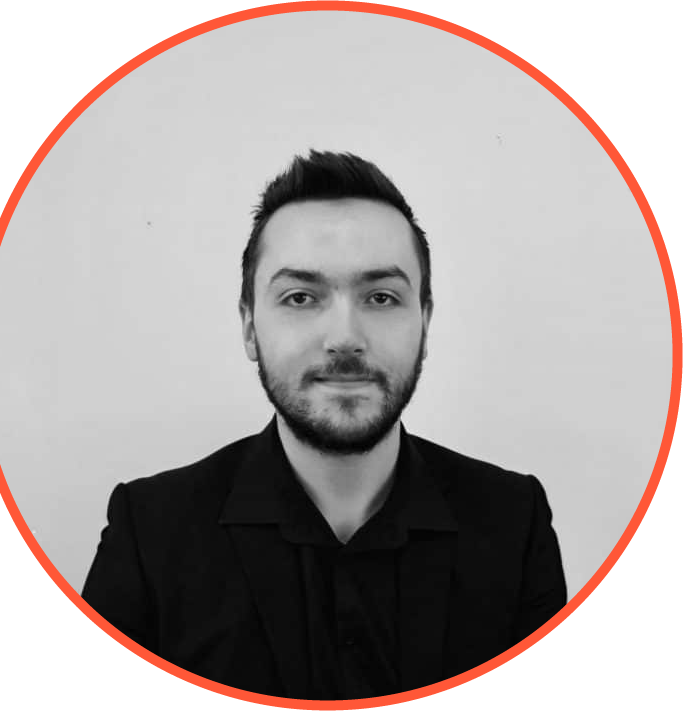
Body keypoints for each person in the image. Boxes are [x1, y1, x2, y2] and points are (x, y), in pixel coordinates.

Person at [82, 150, 567, 700]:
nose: (344, 338)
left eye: (381, 297)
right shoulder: (149, 534)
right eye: (301, 297)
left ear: (425, 324)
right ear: (249, 327)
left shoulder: (514, 523)